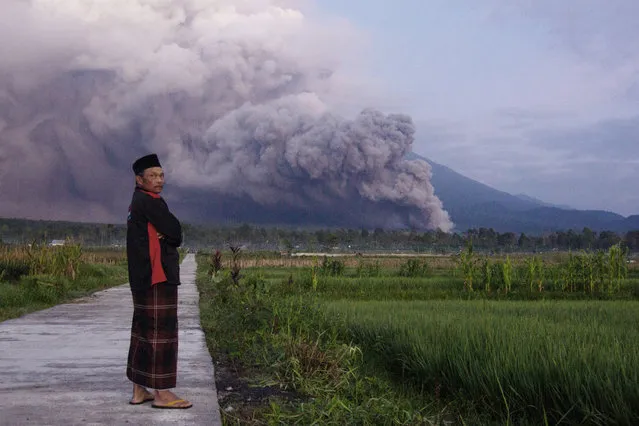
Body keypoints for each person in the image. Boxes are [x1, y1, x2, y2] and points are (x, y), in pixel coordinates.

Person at [125, 153, 192, 409]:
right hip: (157, 277)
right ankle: (162, 393)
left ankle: (139, 390)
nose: (159, 180)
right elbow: (176, 232)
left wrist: (167, 234)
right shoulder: (151, 202)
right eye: (152, 176)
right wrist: (168, 234)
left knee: (143, 332)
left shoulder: (136, 202)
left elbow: (170, 234)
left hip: (142, 278)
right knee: (161, 334)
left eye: (161, 175)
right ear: (139, 179)